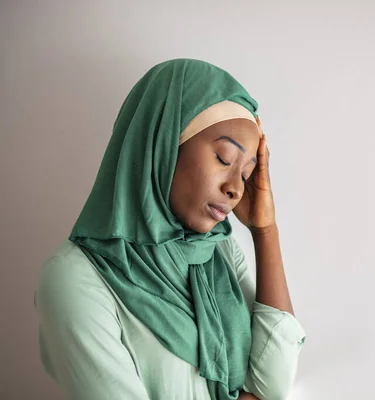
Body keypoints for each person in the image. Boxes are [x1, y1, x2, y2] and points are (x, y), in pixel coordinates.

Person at [34, 59, 305, 400]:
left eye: (247, 173)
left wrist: (266, 231)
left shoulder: (218, 251)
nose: (236, 189)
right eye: (224, 158)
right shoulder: (74, 279)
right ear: (163, 143)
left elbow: (273, 386)